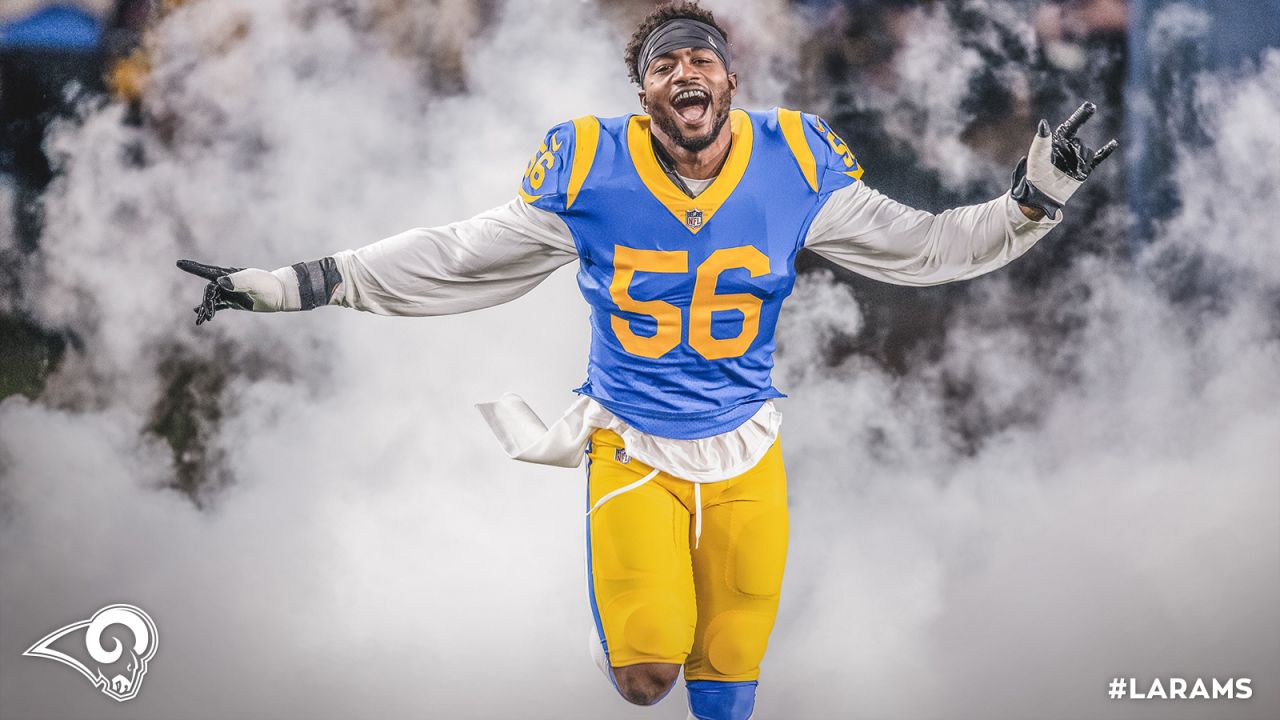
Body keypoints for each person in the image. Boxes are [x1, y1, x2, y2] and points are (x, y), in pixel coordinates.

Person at [178, 3, 1115, 718]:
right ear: (645, 94)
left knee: (728, 693)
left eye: (701, 55)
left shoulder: (797, 159)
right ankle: (624, 628)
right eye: (664, 61)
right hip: (631, 443)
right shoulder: (590, 164)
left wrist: (1031, 201)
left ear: (731, 81)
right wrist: (295, 283)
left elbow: (928, 247)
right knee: (645, 676)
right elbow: (458, 256)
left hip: (748, 447)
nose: (684, 69)